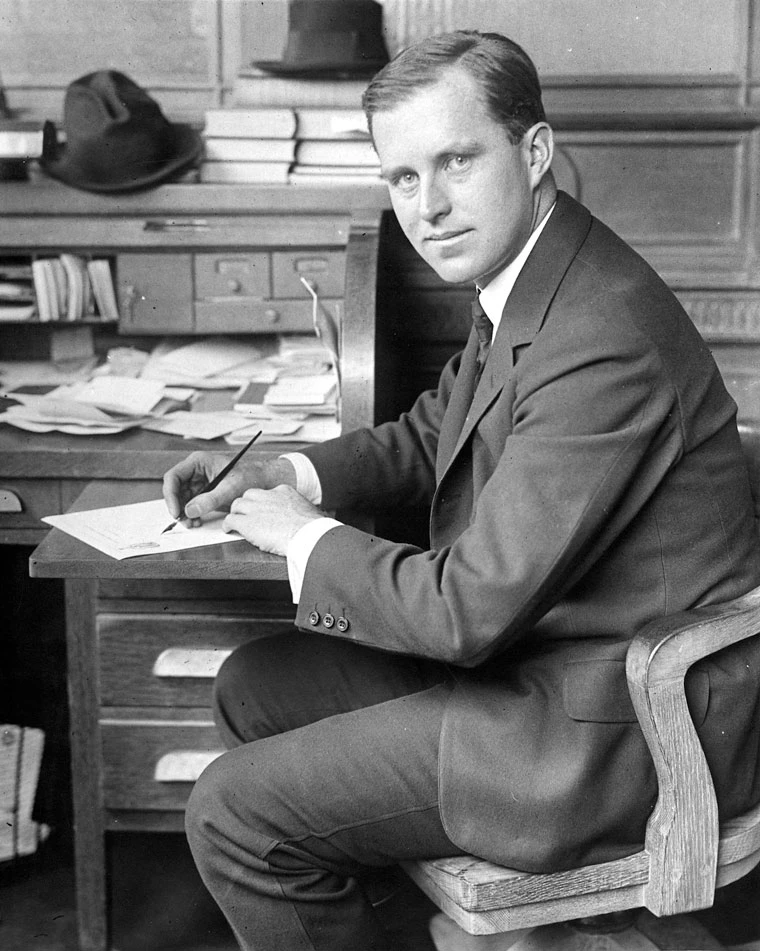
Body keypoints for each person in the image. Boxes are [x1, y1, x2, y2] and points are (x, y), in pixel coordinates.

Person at [163, 31, 760, 951]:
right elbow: (428, 433)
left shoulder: (600, 330)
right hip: (542, 670)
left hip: (609, 729)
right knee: (257, 686)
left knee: (232, 813)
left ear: (533, 152)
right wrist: (286, 472)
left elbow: (468, 610)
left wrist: (300, 537)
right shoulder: (531, 273)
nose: (428, 207)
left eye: (454, 161)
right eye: (402, 177)